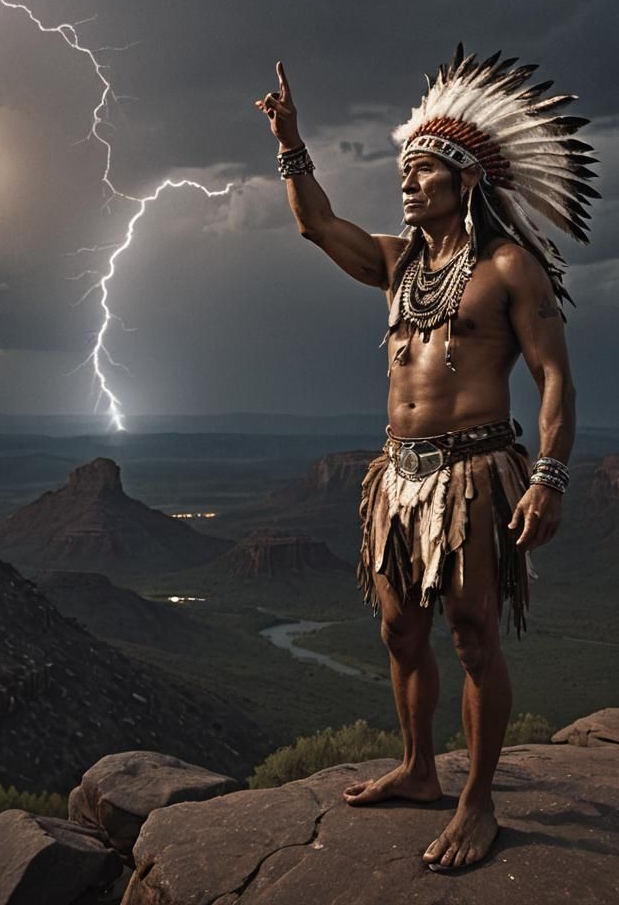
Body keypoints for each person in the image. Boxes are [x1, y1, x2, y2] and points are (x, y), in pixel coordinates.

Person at [253, 47, 597, 872]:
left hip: (474, 475)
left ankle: (478, 801)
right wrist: (291, 141)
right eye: (403, 172)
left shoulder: (508, 269)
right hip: (397, 476)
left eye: (424, 172)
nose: (407, 185)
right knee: (401, 632)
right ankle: (417, 769)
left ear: (466, 179)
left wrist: (547, 477)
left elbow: (555, 377)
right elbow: (314, 223)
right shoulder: (399, 265)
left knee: (475, 636)